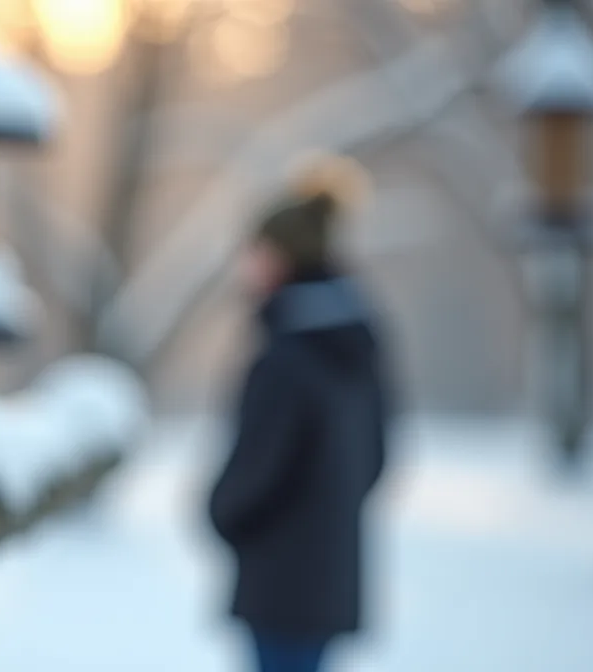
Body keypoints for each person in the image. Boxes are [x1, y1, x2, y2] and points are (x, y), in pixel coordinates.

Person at [207, 155, 390, 672]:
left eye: (257, 252)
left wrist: (221, 511)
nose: (248, 264)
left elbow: (255, 469)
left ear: (284, 258)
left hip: (279, 580)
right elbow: (378, 456)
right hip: (329, 574)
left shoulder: (287, 355)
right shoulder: (359, 337)